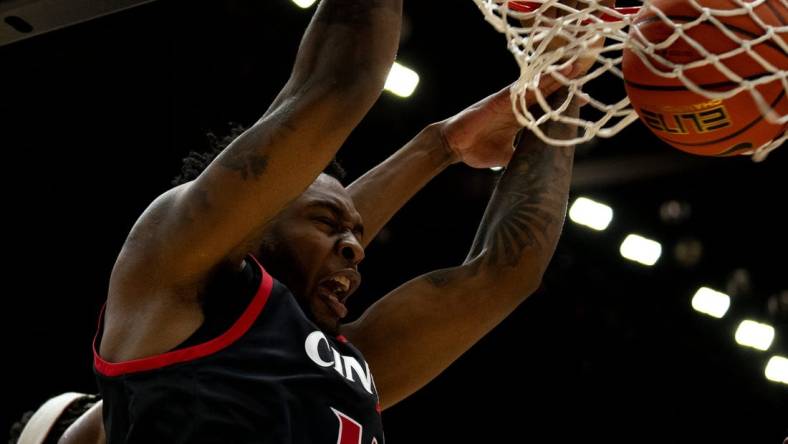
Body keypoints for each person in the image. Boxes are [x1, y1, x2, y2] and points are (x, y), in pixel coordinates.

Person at [11, 0, 586, 442]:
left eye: (354, 234)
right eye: (328, 223)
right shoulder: (169, 280)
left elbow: (504, 273)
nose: (357, 251)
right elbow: (335, 88)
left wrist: (562, 81)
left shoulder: (335, 361)